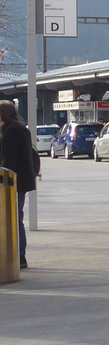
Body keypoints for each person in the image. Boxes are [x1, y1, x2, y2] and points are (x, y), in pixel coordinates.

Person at [0, 100, 42, 269]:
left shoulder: (11, 131)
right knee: (16, 218)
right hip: (19, 182)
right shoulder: (21, 129)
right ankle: (19, 256)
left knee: (12, 219)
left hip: (10, 183)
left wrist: (3, 182)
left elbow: (8, 160)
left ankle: (17, 256)